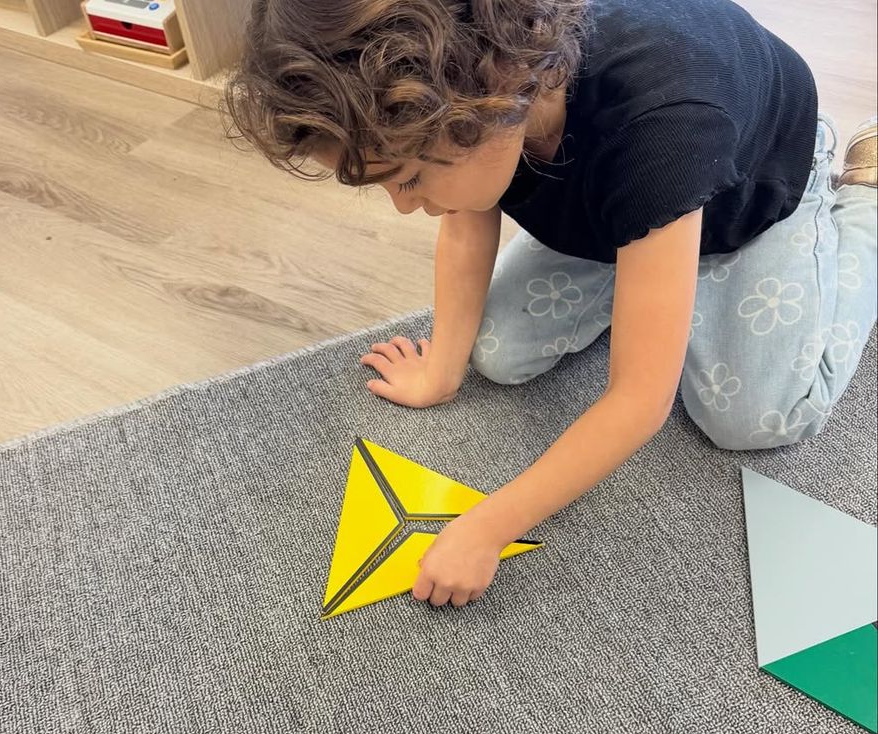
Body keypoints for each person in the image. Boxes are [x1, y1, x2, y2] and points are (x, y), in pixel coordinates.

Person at [224, 0, 877, 611]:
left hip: (752, 194)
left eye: (412, 179)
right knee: (497, 354)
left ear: (498, 91)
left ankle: (864, 202)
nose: (403, 207)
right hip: (614, 206)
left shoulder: (660, 125)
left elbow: (639, 402)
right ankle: (654, 265)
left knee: (754, 418)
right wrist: (441, 370)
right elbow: (465, 223)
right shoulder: (487, 102)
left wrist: (488, 527)